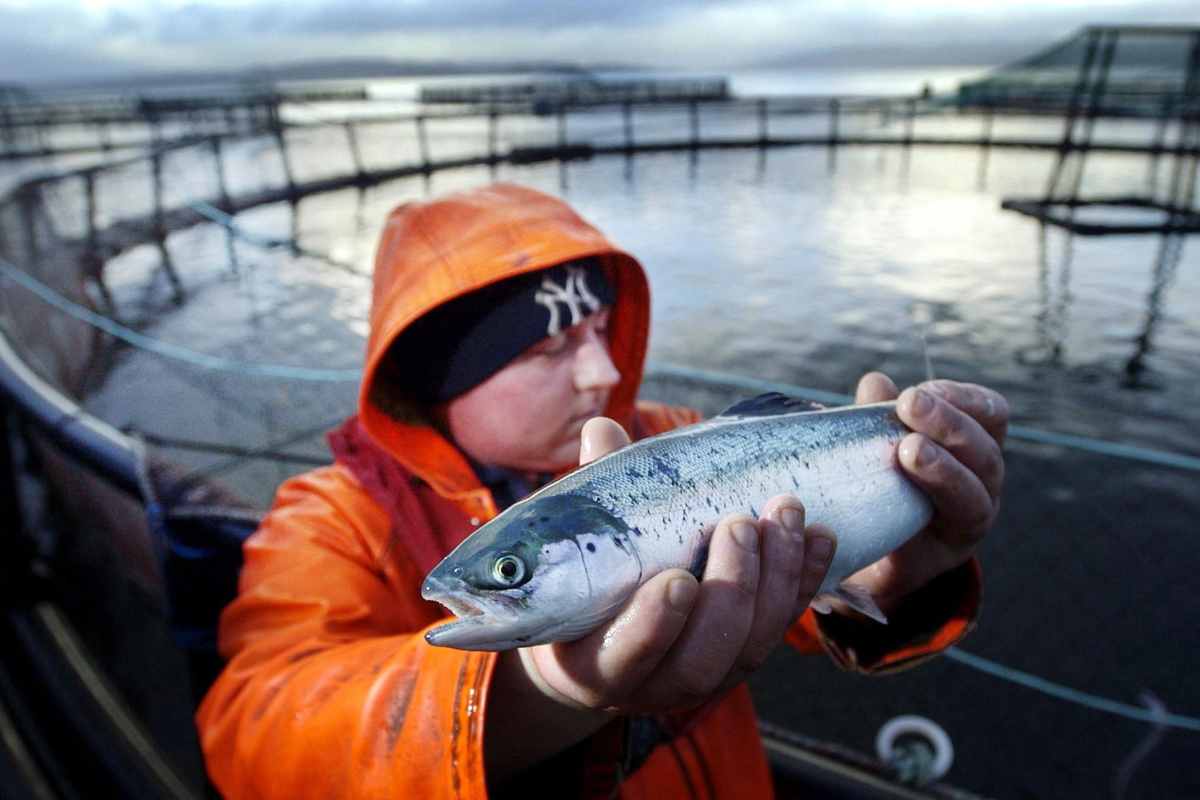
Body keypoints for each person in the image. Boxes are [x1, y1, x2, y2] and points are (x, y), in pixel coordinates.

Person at [196, 183, 1007, 799]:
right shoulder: (330, 519)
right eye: (550, 349)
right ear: (440, 377)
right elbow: (260, 733)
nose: (607, 372)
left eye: (596, 331)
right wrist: (541, 690)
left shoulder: (674, 434)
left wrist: (894, 569)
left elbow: (789, 606)